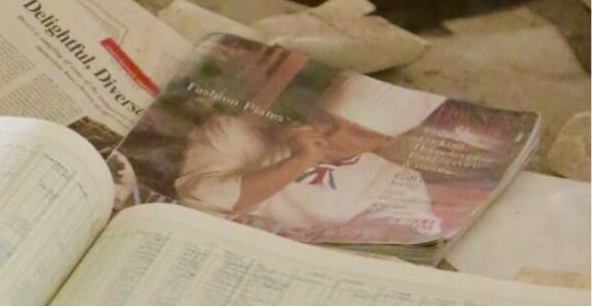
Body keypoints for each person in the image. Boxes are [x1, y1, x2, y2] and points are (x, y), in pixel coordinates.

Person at [174, 73, 442, 243]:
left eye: (359, 133)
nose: (335, 137)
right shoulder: (232, 131)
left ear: (387, 140)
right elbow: (198, 196)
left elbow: (406, 245)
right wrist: (298, 161)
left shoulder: (397, 179)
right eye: (327, 120)